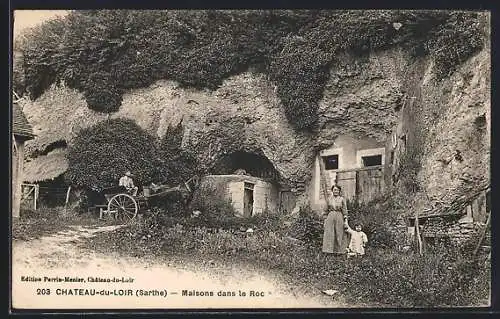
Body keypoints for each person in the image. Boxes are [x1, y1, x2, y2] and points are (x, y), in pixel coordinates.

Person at [322, 185, 349, 255]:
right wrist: (325, 220)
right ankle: (329, 250)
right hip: (330, 217)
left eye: (337, 190)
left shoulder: (342, 199)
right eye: (334, 190)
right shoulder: (329, 199)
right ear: (332, 191)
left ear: (339, 191)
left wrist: (345, 220)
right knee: (330, 233)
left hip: (339, 216)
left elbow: (345, 210)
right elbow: (325, 210)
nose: (335, 191)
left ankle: (339, 251)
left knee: (339, 233)